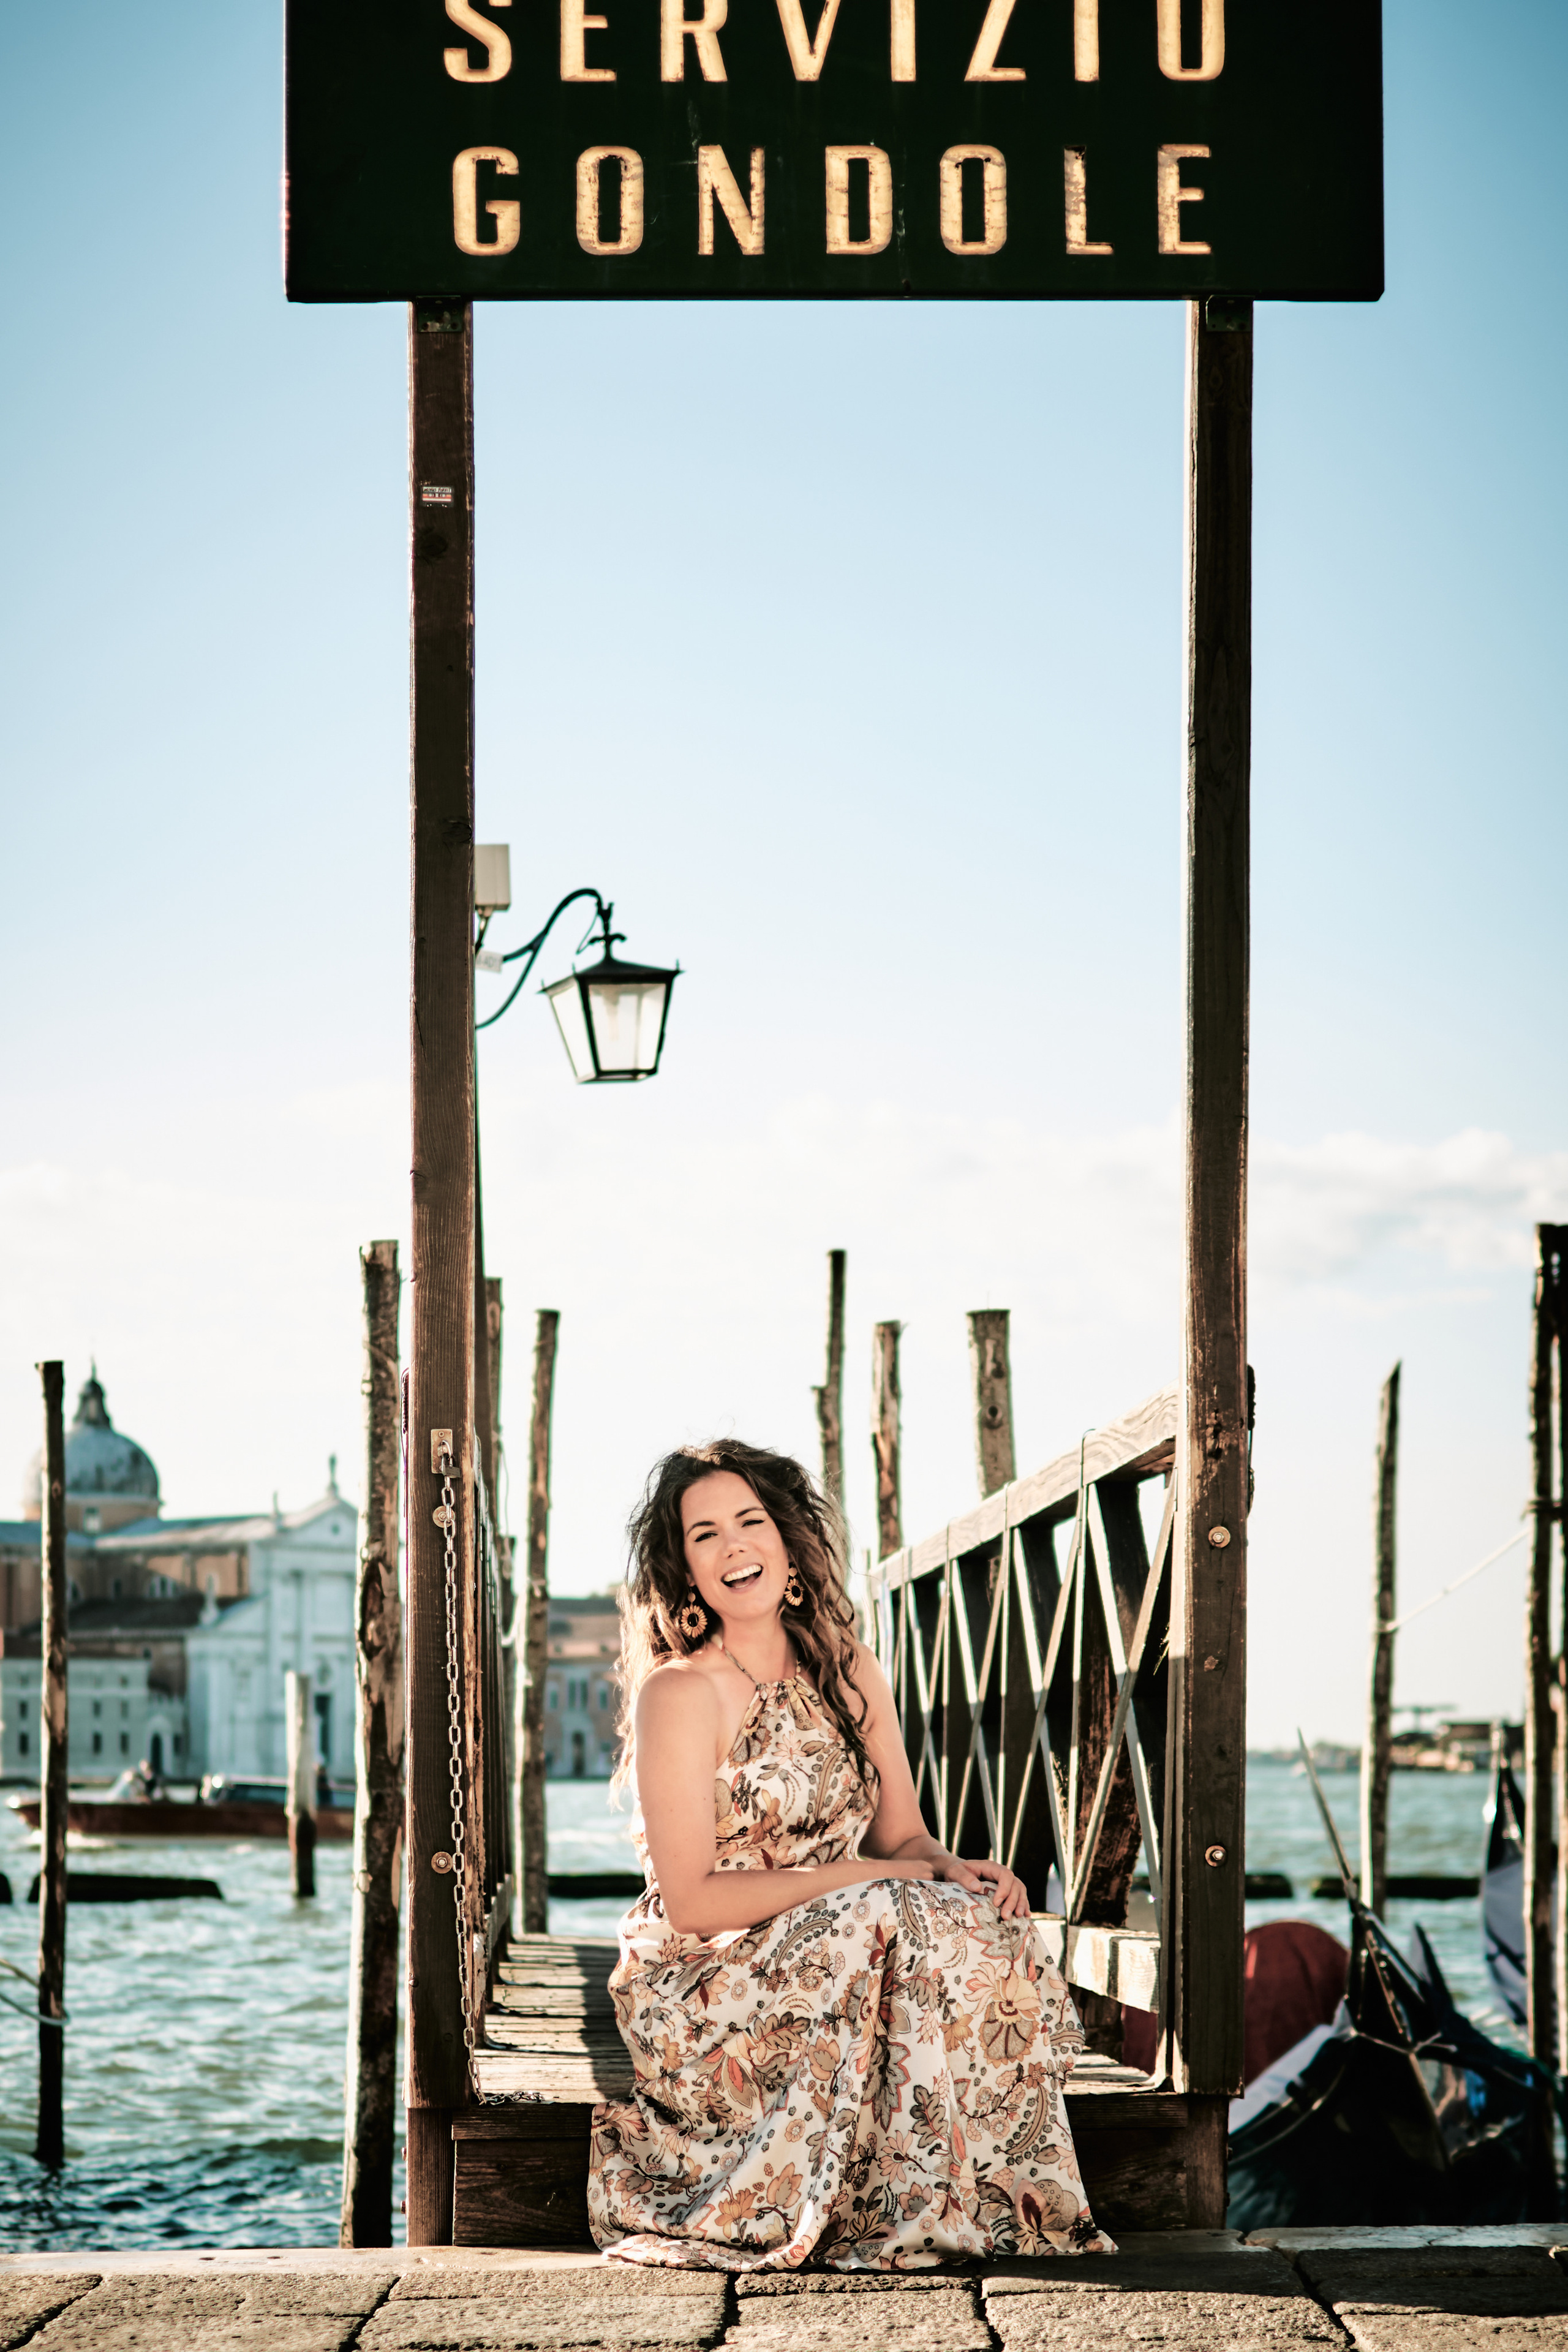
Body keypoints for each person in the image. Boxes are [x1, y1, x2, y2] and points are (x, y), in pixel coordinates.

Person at [589, 1439, 1113, 2272]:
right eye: (705, 1535)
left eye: (751, 1522)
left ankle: (973, 2195)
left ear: (788, 1542)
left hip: (848, 1931)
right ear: (685, 1569)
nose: (733, 1548)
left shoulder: (848, 1669)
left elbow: (901, 1838)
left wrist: (953, 1868)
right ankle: (877, 2199)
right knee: (886, 1909)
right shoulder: (679, 1691)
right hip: (707, 1972)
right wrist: (875, 1878)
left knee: (981, 1916)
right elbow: (691, 1900)